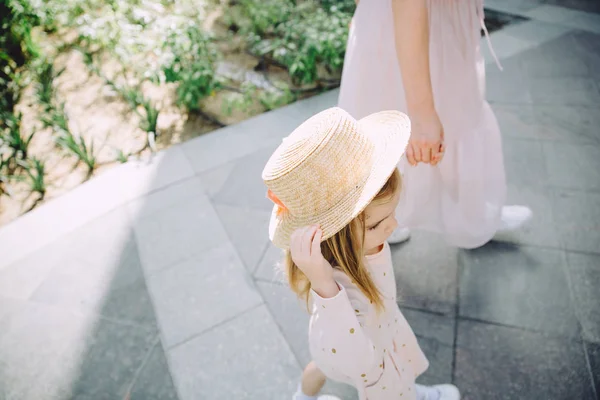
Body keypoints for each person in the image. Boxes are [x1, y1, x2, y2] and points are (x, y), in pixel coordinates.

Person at [262, 107, 460, 400]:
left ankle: (302, 397)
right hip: (366, 357)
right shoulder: (339, 285)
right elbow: (359, 359)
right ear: (338, 235)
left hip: (332, 344)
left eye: (393, 212)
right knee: (394, 387)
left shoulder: (358, 245)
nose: (394, 225)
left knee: (321, 368)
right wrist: (323, 283)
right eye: (379, 223)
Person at [339, 0, 532, 247]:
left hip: (434, 24)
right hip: (415, 26)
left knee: (457, 117)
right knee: (389, 125)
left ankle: (471, 216)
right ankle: (375, 225)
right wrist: (421, 114)